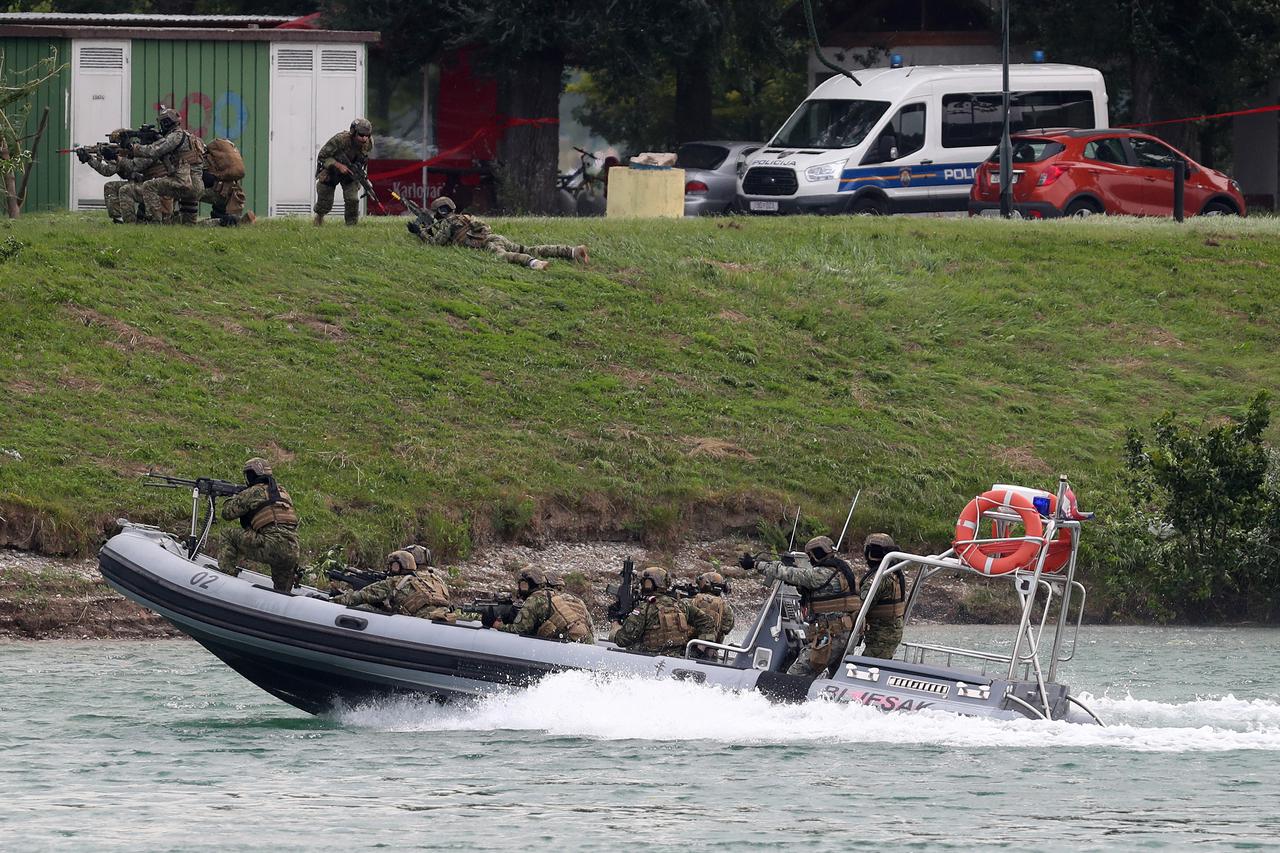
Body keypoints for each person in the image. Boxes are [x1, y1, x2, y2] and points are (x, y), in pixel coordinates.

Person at [742, 535, 861, 677]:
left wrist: (755, 564)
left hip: (830, 637)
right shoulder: (842, 572)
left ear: (816, 554)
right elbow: (818, 589)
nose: (810, 559)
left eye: (810, 556)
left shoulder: (820, 574)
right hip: (844, 635)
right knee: (837, 677)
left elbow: (785, 573)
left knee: (795, 675)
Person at [412, 196, 589, 270]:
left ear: (438, 212)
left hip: (488, 244)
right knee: (530, 247)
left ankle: (535, 264)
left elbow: (435, 244)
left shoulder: (447, 224)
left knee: (503, 256)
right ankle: (572, 251)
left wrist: (420, 233)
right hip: (495, 237)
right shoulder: (465, 217)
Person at [218, 457, 300, 592]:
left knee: (227, 534)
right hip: (292, 550)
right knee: (282, 593)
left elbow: (227, 514)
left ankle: (226, 580)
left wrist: (234, 498)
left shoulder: (254, 491)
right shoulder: (283, 492)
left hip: (270, 545)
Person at [330, 550, 467, 621]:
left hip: (418, 623)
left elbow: (359, 596)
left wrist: (332, 600)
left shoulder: (395, 582)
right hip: (445, 616)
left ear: (397, 566)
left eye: (392, 566)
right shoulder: (433, 579)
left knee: (363, 607)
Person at [609, 566, 715, 656]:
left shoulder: (645, 609)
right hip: (677, 657)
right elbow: (708, 621)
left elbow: (622, 640)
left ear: (648, 583)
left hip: (650, 659)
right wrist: (699, 650)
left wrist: (615, 623)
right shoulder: (681, 605)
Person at [132, 107, 205, 225]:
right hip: (197, 186)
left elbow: (154, 150)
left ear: (166, 123)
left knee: (149, 186)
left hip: (184, 185)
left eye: (161, 124)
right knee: (188, 227)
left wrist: (133, 148)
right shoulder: (191, 137)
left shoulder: (175, 136)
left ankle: (155, 223)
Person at [77, 131, 160, 223]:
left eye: (119, 142)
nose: (118, 145)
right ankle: (118, 219)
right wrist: (89, 159)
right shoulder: (123, 154)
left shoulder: (144, 151)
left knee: (125, 189)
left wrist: (117, 157)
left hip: (150, 186)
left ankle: (131, 223)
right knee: (110, 186)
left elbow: (135, 165)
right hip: (138, 184)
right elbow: (107, 171)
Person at [496, 567, 595, 643]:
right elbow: (591, 629)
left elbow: (519, 630)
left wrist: (498, 625)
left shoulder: (537, 599)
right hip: (585, 642)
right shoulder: (576, 601)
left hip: (567, 643)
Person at [314, 118, 372, 226]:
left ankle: (351, 225)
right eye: (361, 134)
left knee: (353, 199)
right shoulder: (340, 140)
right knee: (325, 203)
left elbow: (363, 159)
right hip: (332, 171)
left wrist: (361, 175)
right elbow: (322, 156)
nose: (364, 138)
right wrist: (338, 165)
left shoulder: (368, 144)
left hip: (350, 172)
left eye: (367, 135)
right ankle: (319, 219)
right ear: (353, 133)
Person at [860, 533, 907, 660]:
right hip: (889, 634)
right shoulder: (895, 573)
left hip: (880, 638)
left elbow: (860, 606)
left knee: (866, 668)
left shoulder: (880, 578)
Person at [691, 571, 734, 644]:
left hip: (689, 646)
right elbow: (727, 629)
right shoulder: (725, 607)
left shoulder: (692, 600)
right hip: (712, 650)